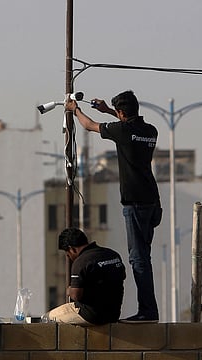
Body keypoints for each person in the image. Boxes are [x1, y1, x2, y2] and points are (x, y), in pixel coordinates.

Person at [65, 90, 162, 323]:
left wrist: (74, 110)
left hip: (135, 203)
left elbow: (89, 126)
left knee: (139, 260)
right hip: (152, 202)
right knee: (143, 256)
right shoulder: (150, 131)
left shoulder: (122, 131)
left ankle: (148, 311)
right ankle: (148, 310)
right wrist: (108, 111)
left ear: (121, 113)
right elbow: (127, 127)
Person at [43, 228, 126, 325]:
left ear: (72, 249)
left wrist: (69, 290)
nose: (68, 257)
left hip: (91, 315)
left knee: (46, 319)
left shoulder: (81, 262)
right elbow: (122, 277)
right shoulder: (112, 254)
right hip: (113, 314)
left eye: (67, 254)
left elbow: (76, 295)